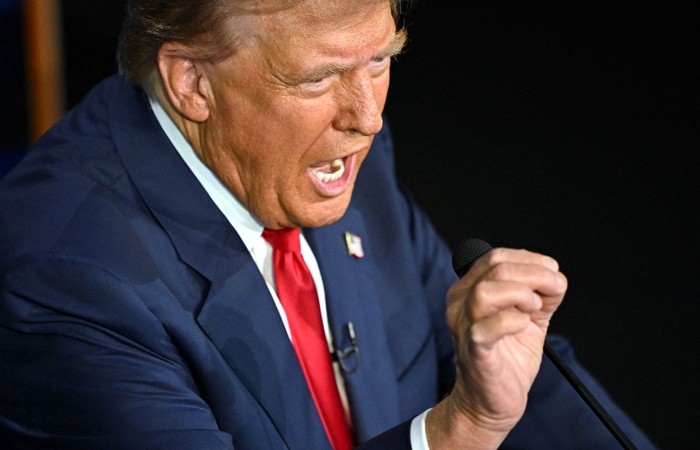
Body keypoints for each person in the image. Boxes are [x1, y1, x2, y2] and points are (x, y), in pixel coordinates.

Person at [0, 0, 655, 448]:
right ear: (192, 82)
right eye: (320, 78)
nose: (365, 116)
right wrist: (455, 433)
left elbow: (505, 373)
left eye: (379, 60)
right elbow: (477, 410)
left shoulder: (329, 155)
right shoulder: (64, 279)